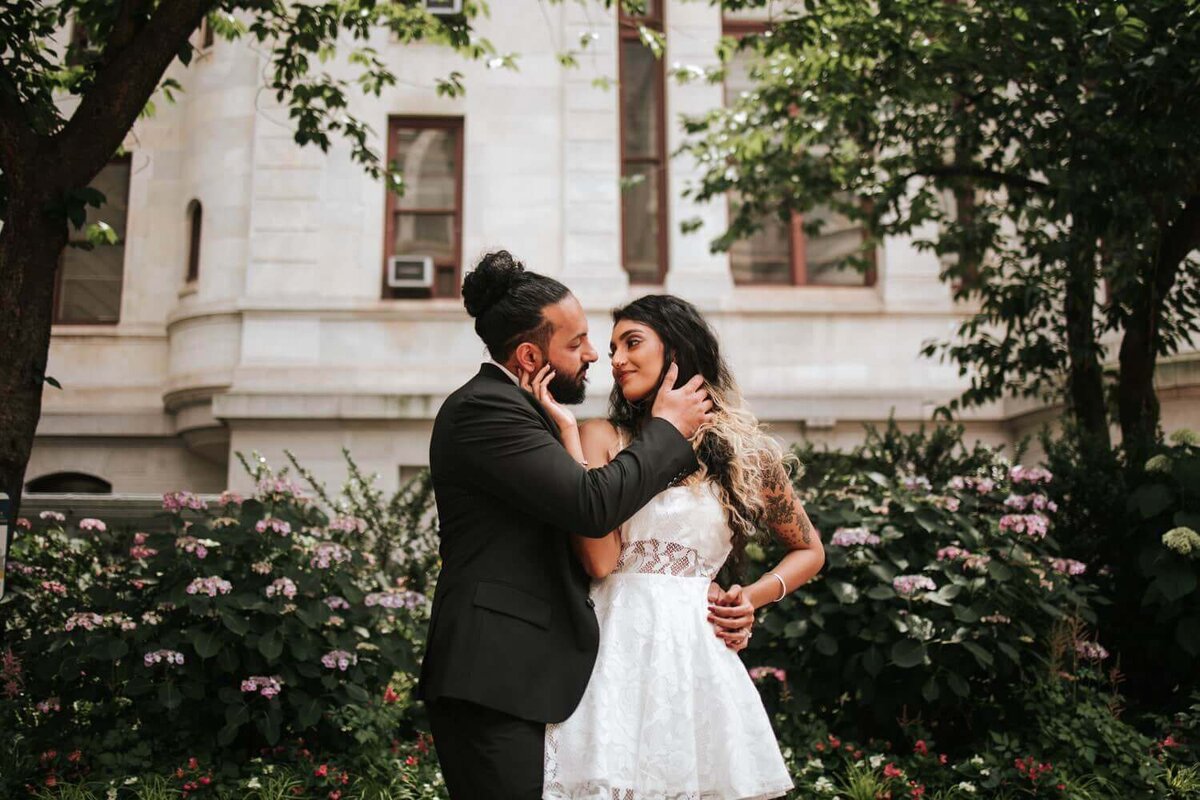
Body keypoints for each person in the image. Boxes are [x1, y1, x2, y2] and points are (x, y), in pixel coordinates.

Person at [418, 252, 751, 799]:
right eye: (576, 344)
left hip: (535, 678)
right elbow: (591, 505)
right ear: (530, 355)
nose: (596, 355)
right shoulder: (485, 410)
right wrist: (666, 430)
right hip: (495, 674)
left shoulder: (526, 411)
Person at [532, 294, 826, 800]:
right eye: (613, 346)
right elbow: (601, 561)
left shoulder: (745, 454)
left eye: (632, 342)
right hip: (611, 652)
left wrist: (750, 598)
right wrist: (569, 440)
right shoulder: (603, 437)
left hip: (697, 653)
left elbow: (809, 550)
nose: (617, 359)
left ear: (677, 348)